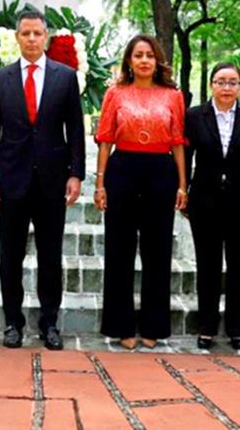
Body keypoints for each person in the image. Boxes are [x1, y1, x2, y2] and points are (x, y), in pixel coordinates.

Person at [0, 10, 86, 351]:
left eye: (37, 33)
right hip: (10, 181)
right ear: (17, 37)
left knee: (50, 256)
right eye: (25, 33)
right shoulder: (0, 79)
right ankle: (13, 322)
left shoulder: (65, 77)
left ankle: (50, 322)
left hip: (52, 182)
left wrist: (76, 173)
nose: (30, 39)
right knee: (10, 256)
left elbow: (76, 130)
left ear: (46, 37)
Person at [93, 34, 187, 349]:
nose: (144, 60)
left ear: (157, 60)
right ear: (129, 61)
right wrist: (100, 182)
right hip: (122, 171)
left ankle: (153, 326)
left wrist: (182, 184)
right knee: (119, 250)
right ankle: (121, 327)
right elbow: (105, 139)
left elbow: (178, 142)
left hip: (161, 173)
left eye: (149, 55)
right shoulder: (115, 94)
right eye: (138, 55)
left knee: (157, 250)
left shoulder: (173, 96)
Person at [184, 62, 240, 351]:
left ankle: (236, 329)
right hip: (204, 203)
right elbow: (185, 157)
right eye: (221, 82)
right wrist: (183, 192)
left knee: (237, 268)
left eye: (232, 82)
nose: (226, 87)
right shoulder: (194, 116)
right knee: (207, 267)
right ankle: (206, 328)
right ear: (211, 85)